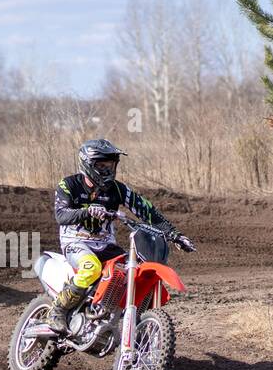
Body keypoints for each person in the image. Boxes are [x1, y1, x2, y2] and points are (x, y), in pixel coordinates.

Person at [47, 137, 193, 332]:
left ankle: (118, 316)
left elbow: (147, 211)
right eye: (101, 165)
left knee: (133, 272)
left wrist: (175, 234)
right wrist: (88, 211)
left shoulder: (118, 189)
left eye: (110, 165)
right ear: (88, 164)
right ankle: (58, 310)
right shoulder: (69, 185)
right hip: (76, 241)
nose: (107, 170)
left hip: (106, 244)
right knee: (91, 269)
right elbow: (61, 215)